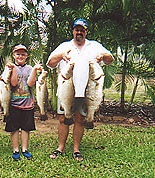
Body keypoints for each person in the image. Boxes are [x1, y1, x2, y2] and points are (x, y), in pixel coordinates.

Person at [46, 19, 114, 161]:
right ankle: (60, 147)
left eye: (82, 30)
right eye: (77, 30)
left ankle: (76, 149)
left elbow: (110, 59)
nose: (79, 32)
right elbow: (50, 63)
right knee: (63, 118)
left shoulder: (94, 46)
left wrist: (103, 56)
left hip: (87, 89)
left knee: (80, 118)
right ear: (73, 31)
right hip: (66, 89)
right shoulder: (65, 46)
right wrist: (61, 55)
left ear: (86, 32)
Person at [4, 44, 43, 161]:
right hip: (13, 104)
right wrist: (14, 69)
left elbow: (31, 84)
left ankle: (24, 149)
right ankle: (15, 149)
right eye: (18, 54)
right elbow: (14, 83)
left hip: (28, 104)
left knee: (26, 128)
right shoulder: (9, 69)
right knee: (14, 128)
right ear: (14, 55)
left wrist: (35, 70)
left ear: (26, 56)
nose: (20, 56)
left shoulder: (30, 68)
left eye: (23, 54)